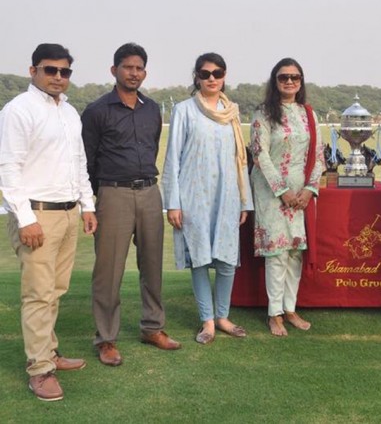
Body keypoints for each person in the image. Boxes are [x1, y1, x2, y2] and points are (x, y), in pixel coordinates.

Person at [0, 44, 97, 401]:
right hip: (37, 215)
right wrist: (26, 219)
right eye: (50, 69)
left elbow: (79, 163)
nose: (58, 77)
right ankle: (39, 369)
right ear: (33, 71)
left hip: (68, 213)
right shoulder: (18, 110)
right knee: (38, 294)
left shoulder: (69, 112)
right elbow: (8, 168)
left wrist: (87, 206)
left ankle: (49, 352)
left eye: (64, 71)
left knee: (55, 290)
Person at [82, 43, 181, 366]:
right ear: (114, 70)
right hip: (114, 194)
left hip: (150, 193)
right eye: (128, 67)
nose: (134, 73)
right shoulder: (97, 111)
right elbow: (87, 160)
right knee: (108, 271)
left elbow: (151, 148)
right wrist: (99, 196)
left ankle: (152, 328)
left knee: (152, 266)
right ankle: (106, 339)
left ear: (145, 73)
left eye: (139, 68)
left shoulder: (151, 109)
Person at [162, 53, 254, 344]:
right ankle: (208, 320)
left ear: (224, 76)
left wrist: (245, 202)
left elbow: (240, 160)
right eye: (205, 74)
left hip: (227, 195)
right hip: (195, 195)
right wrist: (173, 203)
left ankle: (223, 316)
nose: (212, 78)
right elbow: (173, 158)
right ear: (197, 77)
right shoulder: (184, 110)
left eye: (217, 73)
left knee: (226, 260)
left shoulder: (232, 112)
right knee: (200, 260)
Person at [250, 58, 324, 337]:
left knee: (295, 251)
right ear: (275, 81)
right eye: (284, 77)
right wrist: (282, 191)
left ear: (301, 81)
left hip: (302, 192)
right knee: (277, 252)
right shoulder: (263, 113)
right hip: (271, 191)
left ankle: (290, 309)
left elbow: (318, 155)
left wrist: (309, 190)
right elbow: (260, 155)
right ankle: (274, 313)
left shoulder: (308, 114)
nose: (290, 81)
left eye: (295, 77)